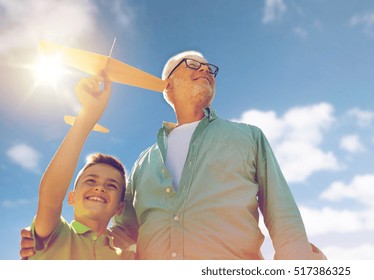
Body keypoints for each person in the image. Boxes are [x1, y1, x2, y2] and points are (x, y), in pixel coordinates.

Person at [21, 51, 325, 260]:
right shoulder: (143, 163)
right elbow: (125, 231)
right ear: (168, 85)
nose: (206, 70)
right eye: (193, 65)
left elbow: (282, 216)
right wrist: (53, 240)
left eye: (210, 69)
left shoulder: (249, 137)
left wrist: (299, 265)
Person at [27, 72, 134, 259]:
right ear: (71, 197)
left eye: (111, 185)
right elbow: (50, 196)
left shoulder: (127, 256)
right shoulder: (54, 235)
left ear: (119, 208)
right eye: (90, 181)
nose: (99, 187)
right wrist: (88, 115)